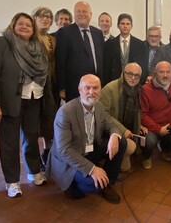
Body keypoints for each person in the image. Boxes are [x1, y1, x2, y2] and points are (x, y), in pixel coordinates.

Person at [0, 13, 49, 198]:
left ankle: (34, 172)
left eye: (28, 24)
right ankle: (12, 181)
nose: (24, 27)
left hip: (34, 98)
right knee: (9, 143)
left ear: (33, 28)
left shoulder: (38, 46)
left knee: (31, 138)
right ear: (13, 26)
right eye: (20, 24)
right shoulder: (2, 43)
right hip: (9, 102)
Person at [46, 74, 127, 204]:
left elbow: (111, 124)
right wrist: (92, 169)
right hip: (69, 161)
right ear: (79, 89)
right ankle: (82, 184)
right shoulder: (65, 112)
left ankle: (108, 182)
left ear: (100, 89)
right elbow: (64, 150)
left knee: (121, 141)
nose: (91, 92)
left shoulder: (99, 106)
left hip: (88, 151)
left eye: (95, 88)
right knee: (93, 186)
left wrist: (114, 136)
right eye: (87, 88)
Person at [100, 63, 147, 172]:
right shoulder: (110, 88)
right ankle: (112, 162)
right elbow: (103, 115)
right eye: (130, 74)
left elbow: (138, 112)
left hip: (129, 128)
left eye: (137, 75)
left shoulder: (139, 90)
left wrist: (140, 124)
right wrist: (122, 130)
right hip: (110, 129)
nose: (133, 78)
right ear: (123, 73)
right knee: (130, 148)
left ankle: (121, 155)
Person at [55, 1, 105, 101]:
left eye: (84, 11)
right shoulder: (65, 33)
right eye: (78, 11)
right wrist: (61, 88)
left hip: (95, 86)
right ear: (74, 14)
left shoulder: (98, 33)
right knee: (75, 115)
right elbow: (60, 62)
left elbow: (101, 59)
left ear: (91, 14)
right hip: (74, 87)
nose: (81, 13)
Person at [32, 7, 58, 171]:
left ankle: (47, 153)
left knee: (49, 122)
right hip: (35, 87)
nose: (46, 19)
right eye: (42, 16)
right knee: (32, 126)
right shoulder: (30, 38)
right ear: (34, 18)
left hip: (51, 86)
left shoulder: (52, 39)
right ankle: (34, 160)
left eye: (49, 17)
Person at [103, 13, 146, 85]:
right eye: (122, 23)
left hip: (133, 82)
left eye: (128, 24)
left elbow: (143, 67)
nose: (125, 26)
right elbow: (107, 67)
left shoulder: (140, 44)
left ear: (131, 26)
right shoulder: (109, 44)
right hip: (115, 82)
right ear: (118, 25)